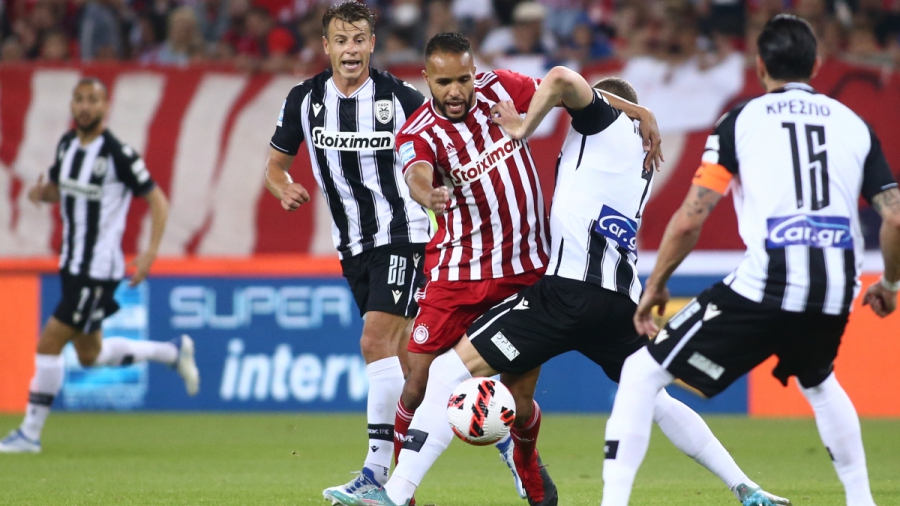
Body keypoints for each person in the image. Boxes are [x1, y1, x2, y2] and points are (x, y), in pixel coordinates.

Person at [331, 68, 788, 506]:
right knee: (656, 399)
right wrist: (642, 111)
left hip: (566, 293)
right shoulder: (643, 156)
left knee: (446, 372)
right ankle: (746, 488)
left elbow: (563, 80)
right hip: (619, 305)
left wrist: (522, 126)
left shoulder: (602, 122)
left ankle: (394, 494)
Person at [330, 32, 657, 506]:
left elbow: (571, 89)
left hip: (525, 271)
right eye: (444, 82)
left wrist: (636, 110)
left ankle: (528, 468)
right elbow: (416, 172)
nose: (457, 91)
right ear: (426, 79)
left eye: (463, 79)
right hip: (457, 272)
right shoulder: (417, 132)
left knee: (519, 402)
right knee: (417, 382)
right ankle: (397, 490)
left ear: (474, 71)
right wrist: (427, 194)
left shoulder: (500, 87)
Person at [600, 14, 900, 506]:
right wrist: (889, 283)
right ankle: (861, 500)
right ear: (816, 65)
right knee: (819, 379)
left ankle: (613, 502)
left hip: (768, 280)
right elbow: (895, 218)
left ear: (760, 65)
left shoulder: (741, 121)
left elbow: (691, 218)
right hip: (835, 286)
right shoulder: (855, 125)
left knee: (641, 371)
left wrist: (656, 284)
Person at [261, 4, 521, 503]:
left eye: (359, 39)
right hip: (352, 246)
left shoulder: (400, 98)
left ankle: (376, 473)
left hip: (404, 233)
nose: (351, 49)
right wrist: (283, 186)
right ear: (326, 46)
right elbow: (275, 165)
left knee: (374, 340)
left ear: (372, 44)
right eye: (341, 40)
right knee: (414, 370)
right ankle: (497, 431)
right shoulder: (304, 100)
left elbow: (440, 144)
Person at [0, 77, 199, 454]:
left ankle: (29, 434)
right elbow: (59, 188)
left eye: (93, 100)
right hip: (72, 264)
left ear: (106, 106)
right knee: (90, 355)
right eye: (79, 99)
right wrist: (43, 193)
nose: (85, 106)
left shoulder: (118, 154)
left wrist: (150, 252)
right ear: (72, 106)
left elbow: (158, 200)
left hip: (97, 269)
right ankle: (172, 352)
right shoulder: (67, 145)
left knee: (49, 342)